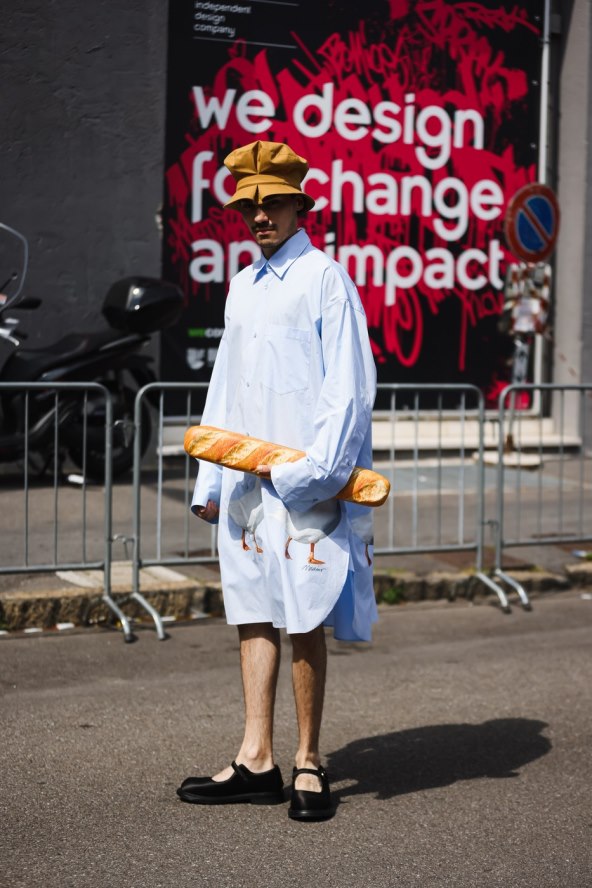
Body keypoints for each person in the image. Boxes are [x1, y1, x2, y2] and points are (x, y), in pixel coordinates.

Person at [177, 140, 377, 821]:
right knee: (253, 611)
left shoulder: (325, 278)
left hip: (303, 487)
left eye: (270, 202)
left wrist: (311, 476)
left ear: (299, 204)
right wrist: (209, 481)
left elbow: (348, 392)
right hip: (243, 489)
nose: (258, 215)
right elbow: (224, 387)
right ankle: (257, 757)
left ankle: (309, 761)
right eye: (247, 205)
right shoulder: (242, 284)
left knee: (305, 615)